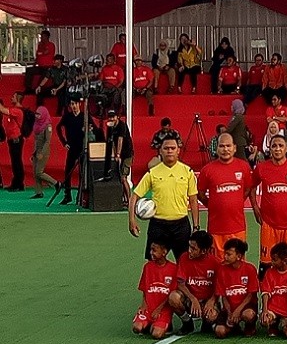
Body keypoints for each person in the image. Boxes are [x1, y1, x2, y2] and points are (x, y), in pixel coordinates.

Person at [128, 133, 200, 261]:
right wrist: (132, 220)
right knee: (154, 263)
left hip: (181, 225)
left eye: (173, 148)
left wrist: (196, 226)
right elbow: (134, 196)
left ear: (178, 150)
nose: (170, 151)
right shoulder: (153, 172)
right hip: (158, 225)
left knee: (184, 263)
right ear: (160, 151)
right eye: (166, 148)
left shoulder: (187, 172)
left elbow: (193, 200)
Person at [252, 134, 287, 276]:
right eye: (274, 146)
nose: (277, 149)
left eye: (281, 145)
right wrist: (256, 208)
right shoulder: (262, 168)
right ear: (269, 148)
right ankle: (264, 295)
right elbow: (251, 187)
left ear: (286, 148)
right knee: (266, 264)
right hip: (269, 224)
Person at [197, 133, 253, 260]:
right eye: (222, 146)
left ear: (234, 148)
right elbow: (200, 194)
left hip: (238, 227)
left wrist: (237, 201)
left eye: (228, 146)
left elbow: (248, 188)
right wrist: (211, 205)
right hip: (216, 229)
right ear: (217, 149)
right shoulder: (207, 170)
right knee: (217, 264)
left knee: (238, 264)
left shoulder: (243, 167)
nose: (225, 149)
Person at [169, 230, 220, 335]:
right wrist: (193, 299)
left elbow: (220, 286)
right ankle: (187, 323)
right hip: (190, 299)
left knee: (212, 315)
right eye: (189, 246)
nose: (189, 251)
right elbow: (180, 283)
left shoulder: (216, 263)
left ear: (204, 251)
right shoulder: (184, 257)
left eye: (193, 249)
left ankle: (207, 323)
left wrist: (212, 301)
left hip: (207, 301)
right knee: (173, 297)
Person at [132, 240, 178, 340]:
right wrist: (144, 305)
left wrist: (159, 309)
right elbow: (144, 288)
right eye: (151, 250)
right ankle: (149, 324)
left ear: (164, 252)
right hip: (148, 308)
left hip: (163, 310)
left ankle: (159, 325)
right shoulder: (147, 267)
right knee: (136, 328)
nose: (151, 253)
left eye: (154, 250)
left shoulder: (174, 268)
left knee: (156, 335)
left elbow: (171, 293)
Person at [56, 100, 99, 204]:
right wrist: (64, 142)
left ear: (79, 104)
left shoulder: (85, 116)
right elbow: (58, 127)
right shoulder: (67, 116)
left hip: (82, 148)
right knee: (68, 172)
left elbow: (95, 129)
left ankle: (81, 196)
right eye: (71, 104)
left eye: (75, 104)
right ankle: (67, 195)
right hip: (72, 148)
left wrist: (88, 130)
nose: (73, 106)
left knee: (82, 173)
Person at [215, 239, 259, 338]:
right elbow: (223, 296)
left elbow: (251, 294)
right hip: (230, 307)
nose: (225, 257)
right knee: (219, 332)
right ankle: (234, 327)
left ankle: (250, 326)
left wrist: (238, 311)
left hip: (245, 307)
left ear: (239, 256)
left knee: (248, 315)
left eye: (229, 254)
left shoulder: (250, 269)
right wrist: (230, 312)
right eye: (225, 253)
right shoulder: (222, 270)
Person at [103, 111, 134, 204]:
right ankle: (124, 199)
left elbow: (120, 140)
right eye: (110, 117)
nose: (111, 119)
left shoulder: (122, 126)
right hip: (119, 156)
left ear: (117, 117)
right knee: (120, 178)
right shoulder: (110, 127)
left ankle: (130, 200)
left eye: (113, 117)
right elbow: (111, 142)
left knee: (123, 178)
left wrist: (118, 154)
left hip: (127, 155)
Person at [30, 106, 59, 199]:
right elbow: (36, 140)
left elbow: (47, 141)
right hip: (36, 151)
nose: (37, 116)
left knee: (39, 172)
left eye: (39, 114)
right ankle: (39, 192)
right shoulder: (36, 124)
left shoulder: (48, 126)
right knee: (35, 172)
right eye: (36, 114)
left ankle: (56, 183)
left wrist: (42, 153)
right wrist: (34, 152)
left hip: (44, 151)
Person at [0, 92, 26, 192]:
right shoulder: (14, 110)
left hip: (16, 139)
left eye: (13, 97)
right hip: (12, 139)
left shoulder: (18, 111)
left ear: (18, 99)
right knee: (15, 161)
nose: (11, 98)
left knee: (17, 162)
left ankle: (18, 183)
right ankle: (17, 183)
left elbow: (2, 109)